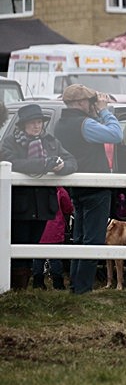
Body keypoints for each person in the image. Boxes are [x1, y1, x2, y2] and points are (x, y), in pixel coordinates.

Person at [54, 85, 123, 294]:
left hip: (77, 187)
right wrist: (104, 111)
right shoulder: (84, 124)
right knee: (92, 240)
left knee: (80, 238)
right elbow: (116, 134)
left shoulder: (61, 124)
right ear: (81, 103)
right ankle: (83, 288)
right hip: (95, 186)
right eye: (89, 101)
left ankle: (77, 285)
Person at [2, 104, 78, 290]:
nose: (37, 126)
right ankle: (15, 291)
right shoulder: (10, 143)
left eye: (39, 122)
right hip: (20, 205)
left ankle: (24, 290)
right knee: (18, 248)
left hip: (44, 205)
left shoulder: (51, 142)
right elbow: (12, 162)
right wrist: (43, 164)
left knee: (34, 247)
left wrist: (61, 167)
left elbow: (72, 162)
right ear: (23, 125)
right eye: (32, 123)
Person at [31, 187, 74, 290]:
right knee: (56, 260)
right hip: (55, 230)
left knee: (38, 259)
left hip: (39, 230)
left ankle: (38, 283)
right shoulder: (60, 190)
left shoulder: (36, 190)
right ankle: (58, 284)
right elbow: (68, 208)